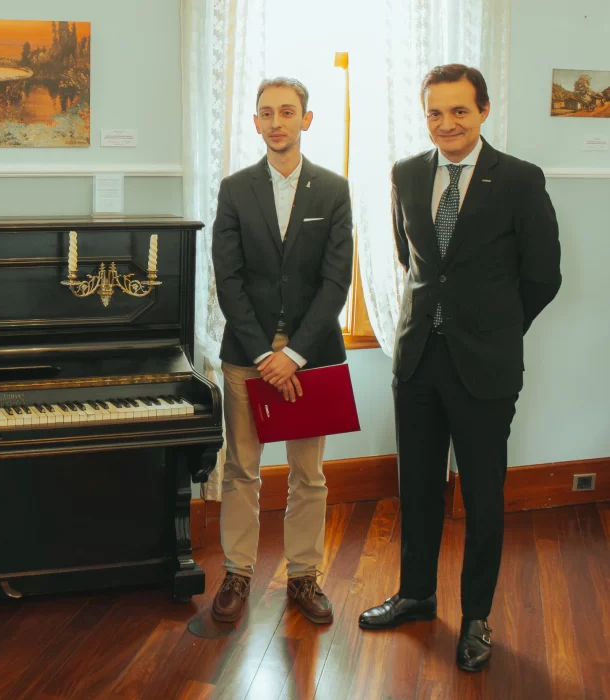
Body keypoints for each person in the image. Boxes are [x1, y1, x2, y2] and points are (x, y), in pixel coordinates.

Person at [358, 65, 561, 672]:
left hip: (486, 366)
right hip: (418, 360)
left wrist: (494, 329)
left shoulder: (520, 180)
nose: (446, 123)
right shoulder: (405, 173)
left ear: (485, 111)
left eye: (459, 112)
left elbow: (543, 275)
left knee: (481, 496)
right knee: (416, 487)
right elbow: (411, 259)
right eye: (435, 112)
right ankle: (417, 595)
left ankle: (476, 618)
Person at [210, 77, 354, 624]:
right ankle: (238, 573)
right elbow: (230, 280)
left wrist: (291, 356)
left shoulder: (334, 189)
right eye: (266, 113)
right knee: (242, 470)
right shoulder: (234, 188)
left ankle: (302, 578)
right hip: (245, 352)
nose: (276, 122)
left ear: (306, 120)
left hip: (309, 355)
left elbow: (335, 282)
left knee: (308, 474)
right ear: (255, 123)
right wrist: (262, 354)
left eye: (287, 112)